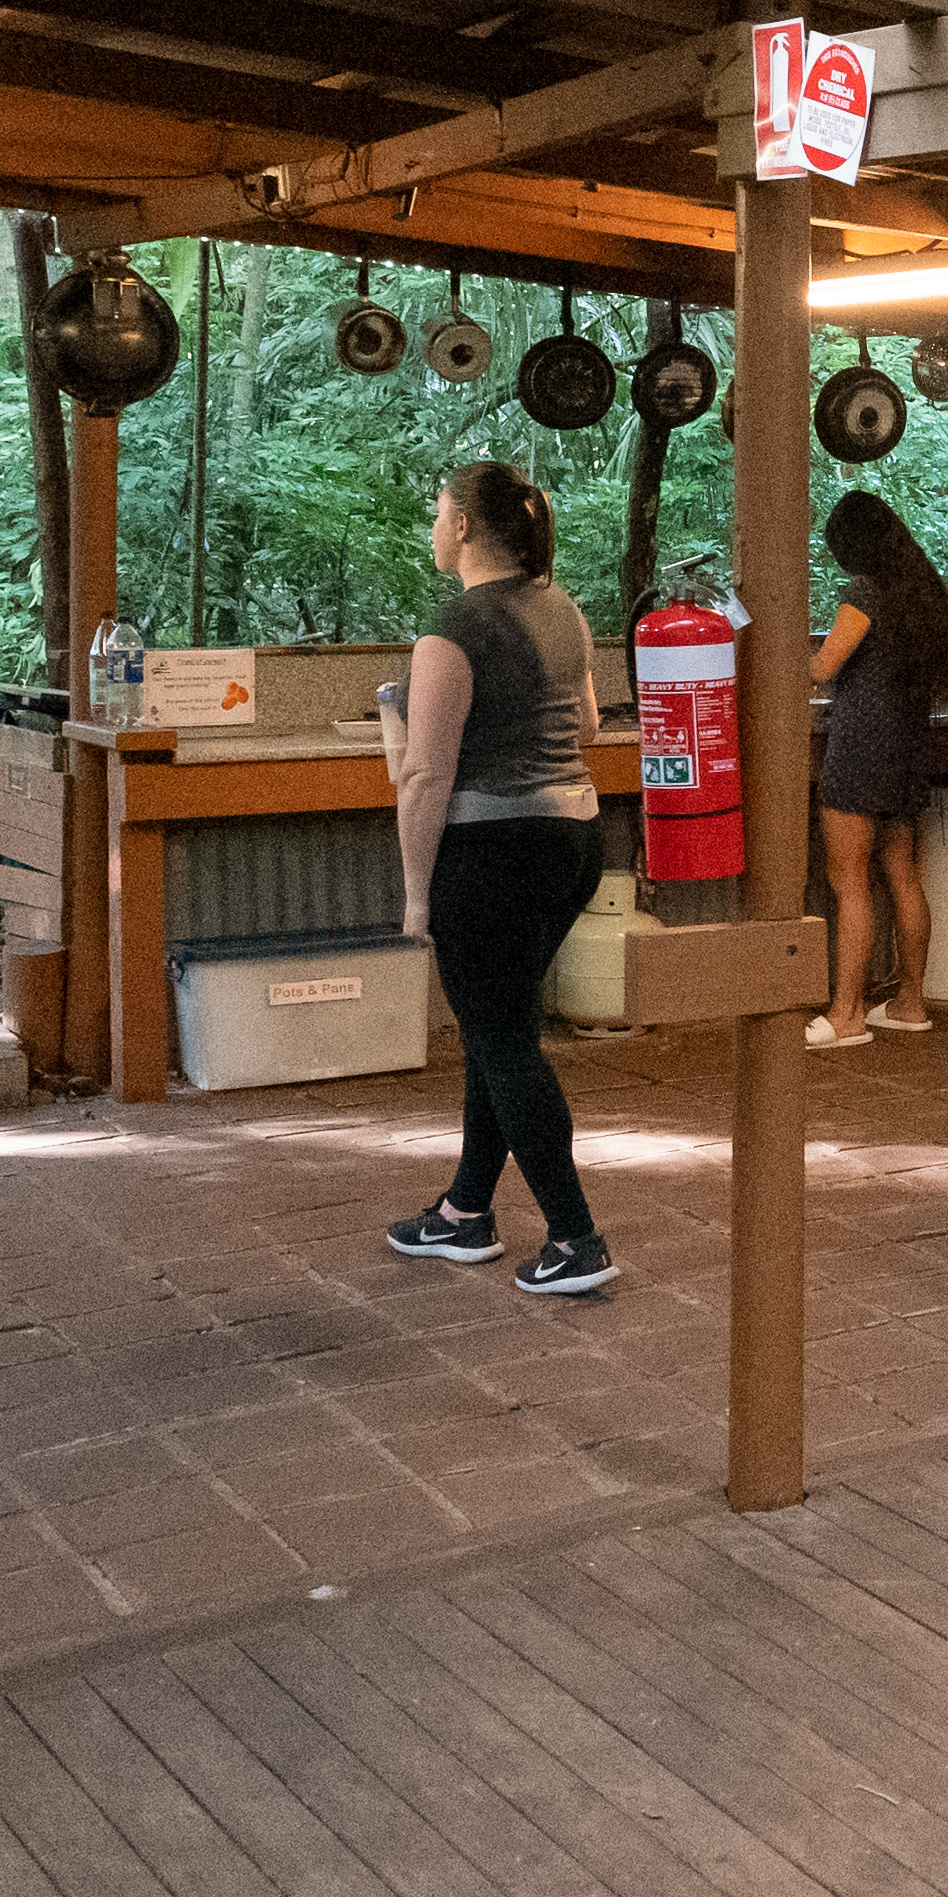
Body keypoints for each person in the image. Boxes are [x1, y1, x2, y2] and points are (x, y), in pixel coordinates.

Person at [380, 460, 612, 1286]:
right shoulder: (564, 609)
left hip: (492, 853)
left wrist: (415, 896)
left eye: (438, 512)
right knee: (497, 1025)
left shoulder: (453, 630)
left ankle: (576, 1237)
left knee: (504, 1037)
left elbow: (424, 776)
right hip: (575, 840)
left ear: (467, 528)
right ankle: (464, 1212)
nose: (434, 527)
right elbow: (583, 721)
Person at [807, 488, 948, 1050]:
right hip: (909, 747)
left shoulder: (864, 592)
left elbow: (824, 667)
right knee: (903, 875)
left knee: (848, 880)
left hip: (861, 747)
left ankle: (846, 1014)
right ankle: (910, 1003)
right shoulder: (920, 593)